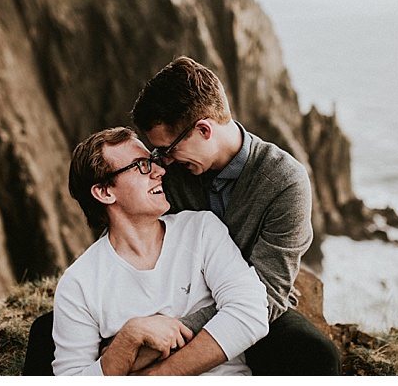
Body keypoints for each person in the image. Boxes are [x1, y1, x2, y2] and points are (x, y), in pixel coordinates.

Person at [130, 55, 341, 375]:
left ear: (203, 129)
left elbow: (265, 297)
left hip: (248, 311)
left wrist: (173, 336)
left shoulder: (285, 182)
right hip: (165, 303)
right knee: (49, 331)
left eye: (169, 149)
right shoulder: (166, 173)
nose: (165, 162)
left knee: (314, 354)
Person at [52, 126, 269, 375]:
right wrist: (129, 339)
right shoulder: (78, 283)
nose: (160, 171)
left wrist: (158, 375)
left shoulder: (201, 229)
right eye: (142, 165)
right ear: (104, 192)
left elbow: (251, 312)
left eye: (152, 161)